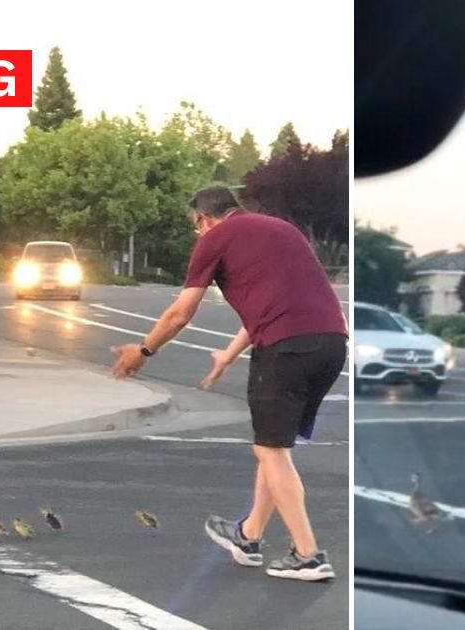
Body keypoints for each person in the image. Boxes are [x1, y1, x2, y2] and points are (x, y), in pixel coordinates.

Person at [110, 185, 347, 581]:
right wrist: (228, 354)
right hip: (330, 344)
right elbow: (278, 303)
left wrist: (144, 351)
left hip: (286, 349)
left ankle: (308, 555)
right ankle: (249, 534)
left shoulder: (215, 238)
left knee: (271, 451)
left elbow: (179, 314)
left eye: (195, 226)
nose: (196, 233)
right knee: (274, 446)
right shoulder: (281, 229)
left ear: (203, 218)